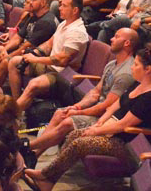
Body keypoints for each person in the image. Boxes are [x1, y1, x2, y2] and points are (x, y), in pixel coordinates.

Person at [23, 41, 151, 191]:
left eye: (136, 64)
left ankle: (44, 175)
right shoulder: (139, 83)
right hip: (113, 131)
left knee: (79, 143)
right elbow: (116, 105)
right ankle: (48, 180)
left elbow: (123, 125)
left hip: (127, 145)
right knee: (74, 135)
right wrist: (100, 122)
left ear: (148, 69)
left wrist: (95, 130)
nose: (132, 67)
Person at [29, 27, 138, 158]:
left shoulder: (126, 73)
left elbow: (106, 107)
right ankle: (34, 155)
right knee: (60, 113)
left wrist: (78, 113)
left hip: (107, 119)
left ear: (127, 43)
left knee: (67, 122)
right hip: (97, 110)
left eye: (116, 36)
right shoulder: (112, 64)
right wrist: (76, 107)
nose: (111, 39)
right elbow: (95, 92)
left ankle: (28, 147)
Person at [7, 0, 89, 111]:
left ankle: (14, 114)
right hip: (49, 66)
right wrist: (33, 53)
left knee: (34, 84)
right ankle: (17, 103)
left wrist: (35, 59)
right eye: (60, 5)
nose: (59, 8)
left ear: (75, 10)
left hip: (62, 75)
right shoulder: (64, 23)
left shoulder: (77, 32)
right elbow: (49, 44)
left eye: (64, 6)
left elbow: (62, 60)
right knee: (14, 62)